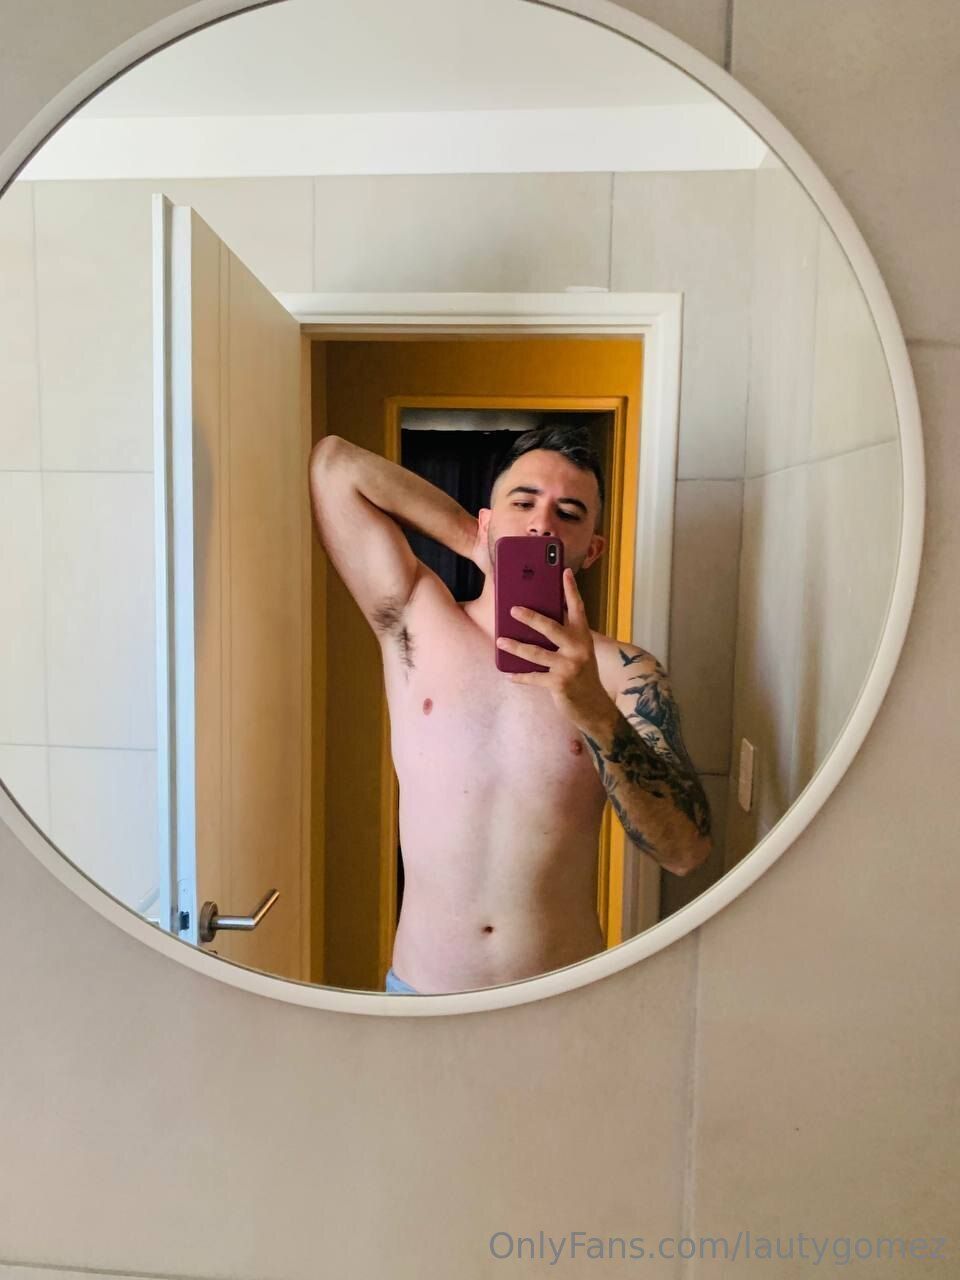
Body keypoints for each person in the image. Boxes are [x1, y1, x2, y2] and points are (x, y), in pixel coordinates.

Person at [308, 424, 711, 995]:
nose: (542, 523)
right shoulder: (417, 619)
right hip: (423, 999)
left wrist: (593, 709)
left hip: (559, 1005)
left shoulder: (624, 673)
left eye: (568, 513)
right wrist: (473, 539)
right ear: (488, 519)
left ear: (592, 550)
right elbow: (334, 466)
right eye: (523, 503)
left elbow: (684, 851)